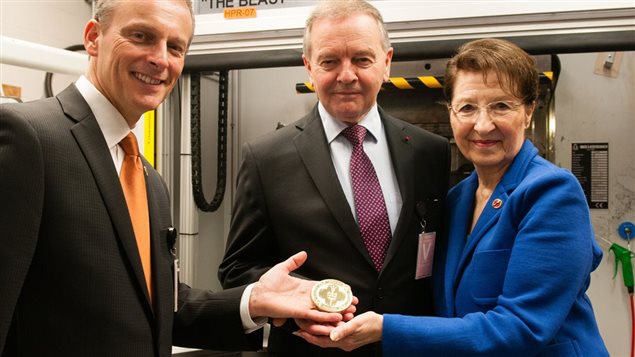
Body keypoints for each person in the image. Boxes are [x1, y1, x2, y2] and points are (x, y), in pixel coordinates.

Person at [0, 1, 354, 356]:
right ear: (93, 38)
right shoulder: (29, 138)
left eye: (175, 47)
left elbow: (159, 307)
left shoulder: (149, 180)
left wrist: (255, 300)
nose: (160, 59)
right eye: (141, 36)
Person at [296, 38, 609, 356]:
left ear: (529, 112)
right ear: (451, 113)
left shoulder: (552, 194)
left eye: (501, 106)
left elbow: (521, 328)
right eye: (468, 107)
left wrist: (385, 328)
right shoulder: (457, 200)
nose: (483, 125)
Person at [218, 0, 450, 355]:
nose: (346, 75)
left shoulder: (429, 152)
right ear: (309, 68)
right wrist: (298, 304)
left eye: (362, 59)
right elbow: (237, 270)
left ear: (386, 63)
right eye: (329, 61)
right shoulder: (265, 159)